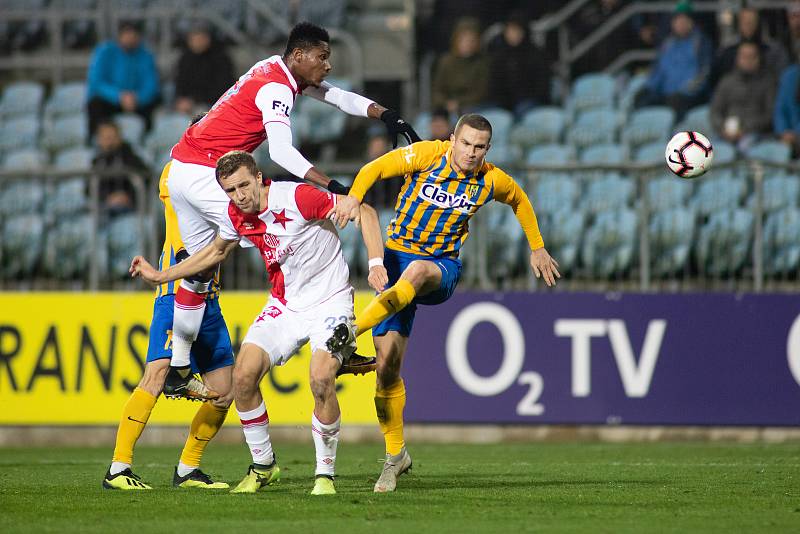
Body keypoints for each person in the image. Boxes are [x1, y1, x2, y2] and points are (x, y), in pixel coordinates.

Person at [162, 21, 420, 401]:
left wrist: (385, 115)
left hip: (181, 169)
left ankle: (178, 369)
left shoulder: (273, 68)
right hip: (209, 173)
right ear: (299, 56)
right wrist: (332, 186)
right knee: (271, 228)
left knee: (200, 269)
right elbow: (281, 152)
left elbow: (336, 97)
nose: (328, 65)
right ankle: (331, 339)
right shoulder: (278, 88)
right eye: (323, 57)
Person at [327, 114, 560, 492]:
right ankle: (395, 457)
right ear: (453, 139)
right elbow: (373, 168)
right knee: (386, 371)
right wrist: (354, 198)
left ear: (488, 149)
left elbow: (518, 198)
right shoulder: (424, 155)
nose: (470, 153)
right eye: (465, 143)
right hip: (394, 262)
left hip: (440, 267)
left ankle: (352, 329)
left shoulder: (489, 179)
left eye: (479, 147)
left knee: (418, 271)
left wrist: (537, 247)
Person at [130, 150, 386, 496]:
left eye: (244, 185)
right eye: (231, 190)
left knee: (321, 379)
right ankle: (263, 465)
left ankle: (324, 475)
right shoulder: (237, 215)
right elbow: (215, 252)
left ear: (260, 178)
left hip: (330, 301)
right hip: (285, 303)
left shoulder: (298, 196)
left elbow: (366, 211)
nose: (240, 196)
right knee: (243, 376)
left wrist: (374, 263)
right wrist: (161, 276)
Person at [102, 159, 232, 491]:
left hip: (209, 297)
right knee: (157, 376)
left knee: (223, 391)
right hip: (175, 291)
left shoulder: (224, 178)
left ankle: (188, 469)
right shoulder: (178, 170)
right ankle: (119, 467)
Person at [636, 1, 712, 119]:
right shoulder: (667, 44)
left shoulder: (700, 43)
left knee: (675, 104)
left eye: (684, 20)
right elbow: (658, 71)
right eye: (677, 20)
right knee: (642, 100)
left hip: (688, 95)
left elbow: (704, 74)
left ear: (691, 21)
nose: (680, 24)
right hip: (665, 94)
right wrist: (649, 88)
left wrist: (685, 92)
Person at [86, 21, 160, 136]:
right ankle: (95, 138)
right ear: (120, 36)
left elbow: (151, 85)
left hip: (136, 101)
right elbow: (97, 82)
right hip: (111, 100)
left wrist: (137, 98)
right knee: (95, 104)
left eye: (134, 35)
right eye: (127, 35)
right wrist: (119, 96)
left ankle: (147, 139)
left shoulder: (146, 55)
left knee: (155, 101)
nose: (130, 39)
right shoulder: (105, 52)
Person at [710, 42, 776, 152]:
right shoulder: (727, 81)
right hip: (727, 132)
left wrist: (745, 130)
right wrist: (723, 129)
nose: (748, 61)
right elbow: (715, 111)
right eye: (744, 57)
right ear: (737, 58)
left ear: (759, 59)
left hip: (755, 133)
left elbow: (769, 115)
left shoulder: (767, 82)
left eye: (752, 57)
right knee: (707, 150)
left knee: (743, 147)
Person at [488, 13, 551, 116]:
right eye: (510, 30)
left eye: (517, 30)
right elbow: (495, 87)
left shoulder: (537, 54)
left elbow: (542, 87)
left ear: (525, 31)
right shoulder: (499, 56)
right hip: (504, 104)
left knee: (521, 111)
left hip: (531, 102)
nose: (514, 34)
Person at [710, 7, 788, 90]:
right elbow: (717, 81)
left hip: (764, 93)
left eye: (752, 21)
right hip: (733, 95)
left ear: (758, 23)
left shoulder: (774, 50)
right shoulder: (727, 51)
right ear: (739, 23)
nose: (749, 25)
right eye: (745, 22)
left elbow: (781, 80)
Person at [174, 23, 236, 116]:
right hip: (188, 104)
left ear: (207, 39)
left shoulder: (220, 58)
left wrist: (193, 100)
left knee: (198, 115)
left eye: (199, 39)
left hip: (213, 104)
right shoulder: (185, 58)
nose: (196, 43)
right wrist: (181, 99)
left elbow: (223, 87)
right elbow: (180, 82)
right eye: (193, 40)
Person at [431, 17, 490, 115]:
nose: (467, 44)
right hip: (447, 108)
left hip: (474, 108)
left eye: (471, 40)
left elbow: (481, 93)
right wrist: (446, 104)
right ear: (456, 40)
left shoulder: (482, 63)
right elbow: (437, 91)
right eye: (463, 40)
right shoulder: (446, 61)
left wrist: (459, 103)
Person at [92, 121, 150, 218]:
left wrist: (127, 196)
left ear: (119, 138)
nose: (109, 142)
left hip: (131, 210)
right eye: (105, 138)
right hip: (104, 210)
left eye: (111, 137)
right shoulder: (96, 162)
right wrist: (107, 198)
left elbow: (146, 180)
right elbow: (89, 189)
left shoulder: (131, 158)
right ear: (99, 140)